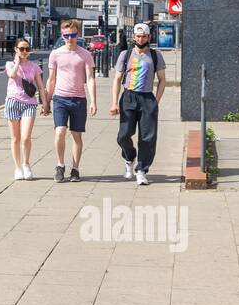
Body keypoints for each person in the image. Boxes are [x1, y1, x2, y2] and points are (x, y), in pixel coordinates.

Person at [110, 22, 166, 185]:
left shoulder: (155, 55)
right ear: (134, 37)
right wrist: (114, 102)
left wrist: (156, 100)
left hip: (147, 98)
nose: (141, 39)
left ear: (149, 37)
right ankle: (129, 157)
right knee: (123, 135)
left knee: (148, 137)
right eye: (138, 36)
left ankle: (141, 170)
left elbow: (162, 80)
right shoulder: (125, 55)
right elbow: (117, 79)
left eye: (144, 36)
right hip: (128, 97)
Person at [44, 19, 97, 182]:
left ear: (78, 34)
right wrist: (46, 101)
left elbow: (90, 78)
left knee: (76, 136)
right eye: (66, 35)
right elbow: (51, 79)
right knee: (60, 131)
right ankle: (60, 166)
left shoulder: (85, 54)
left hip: (79, 99)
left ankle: (75, 168)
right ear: (62, 35)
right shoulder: (56, 54)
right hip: (60, 98)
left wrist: (93, 101)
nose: (70, 38)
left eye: (73, 35)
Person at [3, 38, 47, 181]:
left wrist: (45, 102)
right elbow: (12, 75)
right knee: (15, 138)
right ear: (16, 49)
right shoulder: (10, 64)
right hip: (13, 103)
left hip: (29, 104)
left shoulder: (34, 66)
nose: (24, 52)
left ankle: (26, 163)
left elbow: (40, 86)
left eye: (27, 49)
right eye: (21, 49)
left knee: (26, 136)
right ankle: (17, 167)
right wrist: (17, 62)